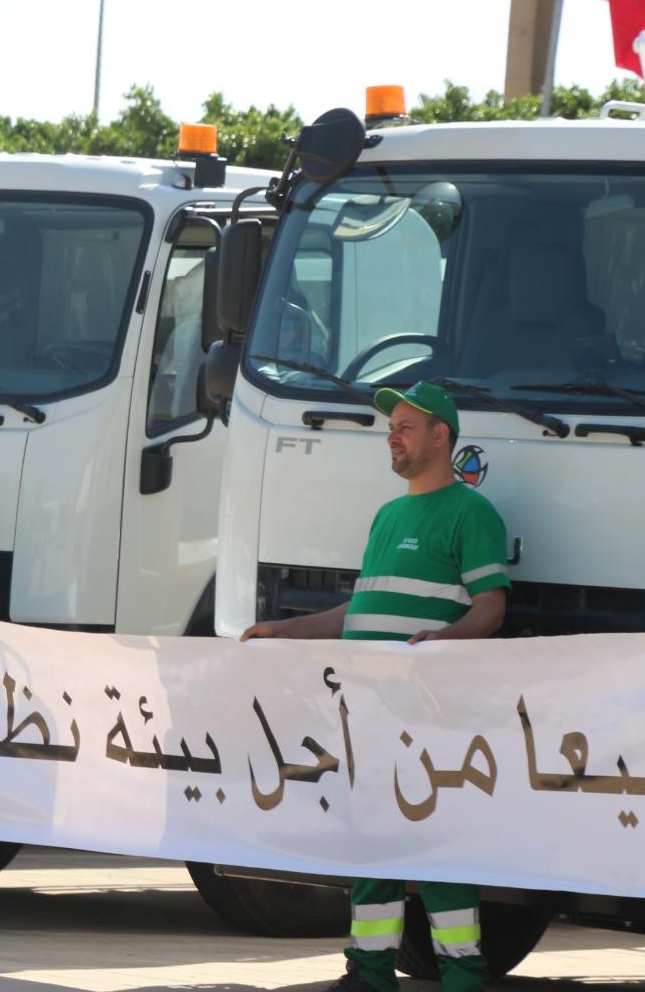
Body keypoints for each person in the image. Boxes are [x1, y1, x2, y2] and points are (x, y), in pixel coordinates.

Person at [242, 380, 508, 992]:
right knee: (372, 839)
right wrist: (285, 631)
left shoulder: (472, 512)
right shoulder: (388, 516)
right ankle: (367, 971)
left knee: (438, 844)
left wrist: (444, 645)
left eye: (406, 427)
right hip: (368, 711)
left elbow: (490, 606)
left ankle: (464, 974)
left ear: (440, 435)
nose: (392, 436)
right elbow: (356, 615)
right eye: (390, 429)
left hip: (430, 713)